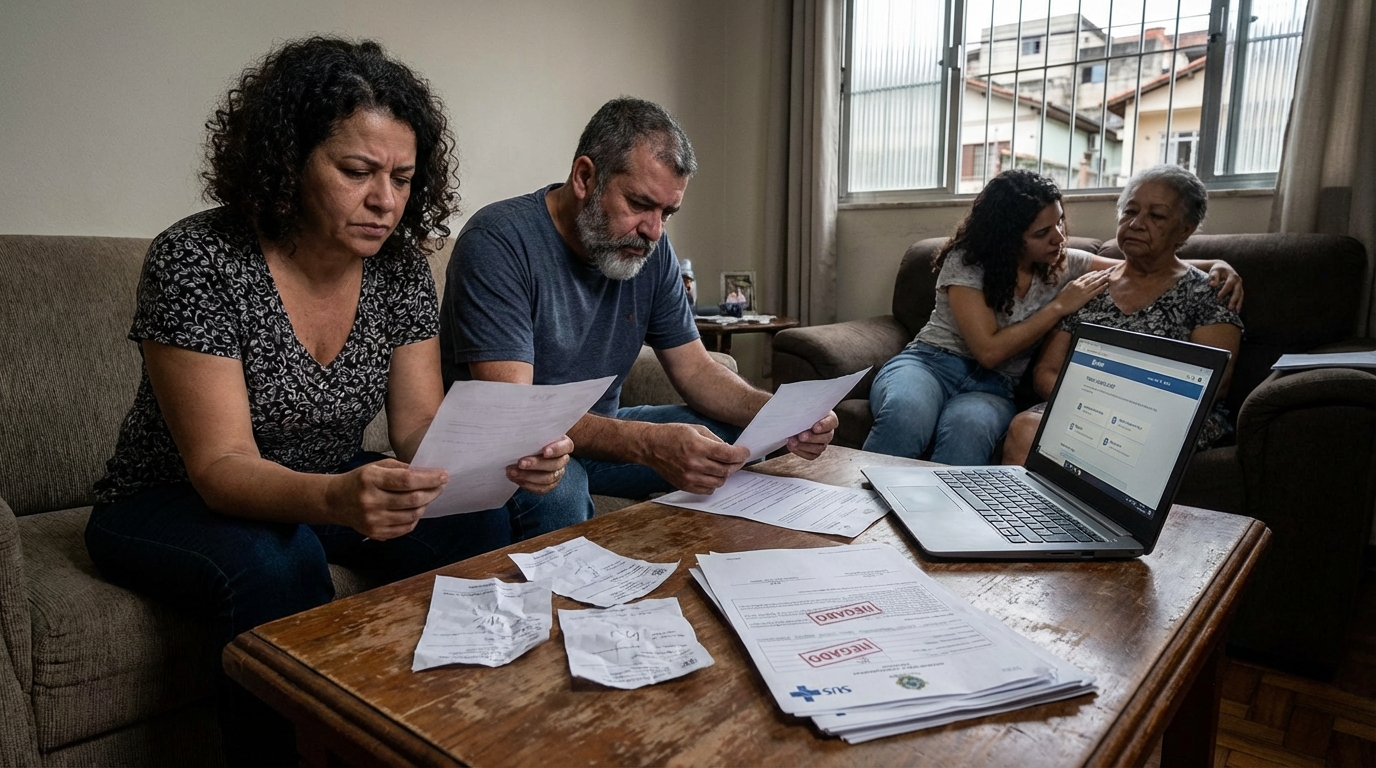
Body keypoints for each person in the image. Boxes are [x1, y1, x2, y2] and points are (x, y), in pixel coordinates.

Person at [83, 37, 571, 765]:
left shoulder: (399, 271)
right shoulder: (198, 259)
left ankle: (455, 737)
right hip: (169, 496)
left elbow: (418, 426)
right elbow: (220, 465)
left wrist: (508, 454)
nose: (386, 201)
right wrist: (337, 500)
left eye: (402, 178)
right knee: (278, 563)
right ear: (287, 162)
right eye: (357, 171)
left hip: (325, 478)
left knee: (478, 521)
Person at [439, 97, 837, 520]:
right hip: (512, 448)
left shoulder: (651, 249)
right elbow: (517, 411)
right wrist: (647, 444)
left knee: (739, 438)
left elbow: (696, 371)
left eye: (668, 213)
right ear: (585, 177)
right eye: (640, 204)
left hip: (597, 436)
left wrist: (783, 415)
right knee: (562, 495)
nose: (654, 231)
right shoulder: (499, 241)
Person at [862, 169, 1241, 466]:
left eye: (1060, 223)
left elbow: (1140, 268)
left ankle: (936, 529)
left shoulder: (1064, 263)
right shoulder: (969, 261)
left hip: (992, 387)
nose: (1059, 238)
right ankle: (852, 513)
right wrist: (1060, 306)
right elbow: (989, 352)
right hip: (931, 364)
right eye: (1043, 232)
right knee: (907, 416)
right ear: (1009, 237)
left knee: (969, 429)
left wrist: (1216, 264)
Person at [1000, 165, 1244, 466]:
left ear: (1185, 230)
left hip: (1167, 419)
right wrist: (1097, 405)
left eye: (1156, 216)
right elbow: (1046, 372)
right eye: (1130, 211)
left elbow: (1215, 385)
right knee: (1025, 428)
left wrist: (1125, 410)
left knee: (1117, 441)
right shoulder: (1087, 288)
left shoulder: (1207, 292)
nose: (1136, 224)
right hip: (1082, 405)